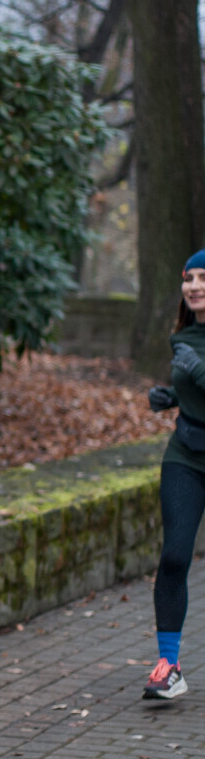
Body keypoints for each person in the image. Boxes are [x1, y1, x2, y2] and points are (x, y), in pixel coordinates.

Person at [144, 249, 205, 700]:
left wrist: (200, 374)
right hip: (186, 452)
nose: (195, 286)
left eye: (204, 278)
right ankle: (169, 666)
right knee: (174, 558)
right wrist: (172, 397)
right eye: (189, 277)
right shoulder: (183, 335)